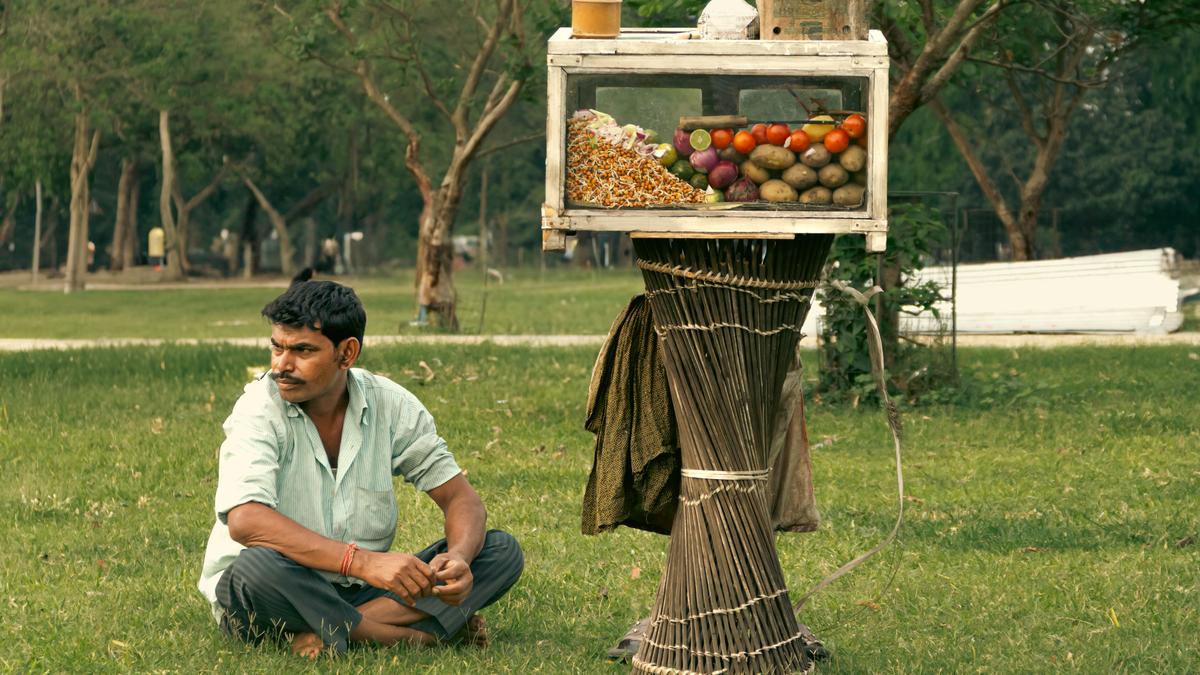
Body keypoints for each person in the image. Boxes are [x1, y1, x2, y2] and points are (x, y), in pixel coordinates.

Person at [198, 280, 522, 658]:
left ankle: (333, 629)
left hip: (359, 588)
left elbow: (460, 499)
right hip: (273, 587)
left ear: (347, 353)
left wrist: (460, 559)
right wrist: (364, 562)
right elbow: (246, 522)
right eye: (277, 346)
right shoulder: (257, 409)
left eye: (303, 350)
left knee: (501, 550)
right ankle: (412, 638)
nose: (282, 365)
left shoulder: (390, 404)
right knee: (256, 565)